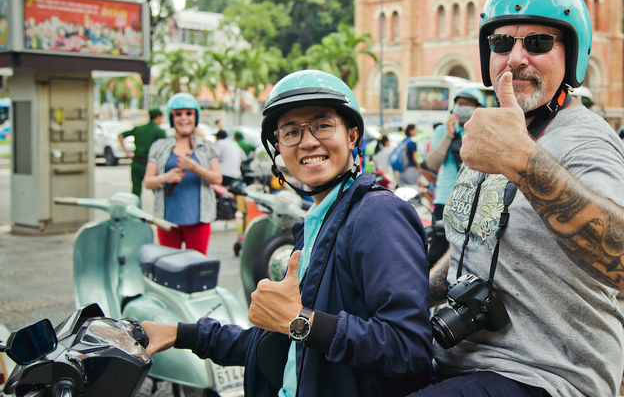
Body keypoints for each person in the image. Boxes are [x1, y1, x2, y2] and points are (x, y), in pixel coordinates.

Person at [415, 0, 624, 397]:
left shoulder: (585, 137)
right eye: (501, 43)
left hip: (545, 374)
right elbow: (475, 243)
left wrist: (522, 161)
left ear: (572, 54)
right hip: (455, 358)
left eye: (539, 43)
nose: (516, 57)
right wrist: (402, 292)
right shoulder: (494, 133)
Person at [141, 70, 432, 397]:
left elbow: (409, 349)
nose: (308, 141)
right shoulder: (318, 219)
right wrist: (181, 334)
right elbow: (283, 338)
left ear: (352, 136)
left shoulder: (377, 215)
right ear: (278, 148)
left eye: (323, 125)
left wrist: (301, 321)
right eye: (291, 131)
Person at [143, 93, 222, 255]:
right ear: (171, 118)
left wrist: (196, 168)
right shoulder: (159, 146)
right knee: (169, 267)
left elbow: (217, 178)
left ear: (196, 116)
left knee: (196, 267)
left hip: (199, 220)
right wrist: (165, 177)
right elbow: (147, 182)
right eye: (178, 113)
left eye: (189, 113)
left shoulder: (206, 146)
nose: (183, 118)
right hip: (167, 221)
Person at [424, 87, 485, 222]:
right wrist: (449, 135)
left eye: (467, 104)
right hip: (445, 197)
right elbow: (431, 163)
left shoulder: (484, 132)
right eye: (459, 103)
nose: (462, 107)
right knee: (439, 241)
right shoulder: (442, 130)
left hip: (473, 199)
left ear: (478, 108)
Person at [118, 107, 166, 201]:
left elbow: (120, 135)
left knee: (135, 193)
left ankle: (135, 214)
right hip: (149, 165)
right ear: (158, 117)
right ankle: (160, 213)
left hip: (135, 164)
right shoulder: (159, 131)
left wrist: (127, 152)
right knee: (157, 192)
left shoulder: (139, 128)